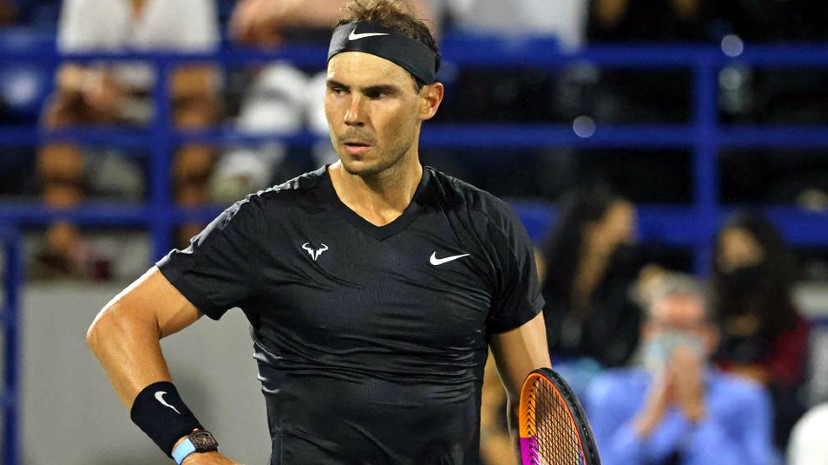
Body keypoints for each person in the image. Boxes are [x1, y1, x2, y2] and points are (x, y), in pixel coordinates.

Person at [86, 1, 550, 464]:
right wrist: (193, 449)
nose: (352, 114)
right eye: (338, 90)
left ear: (428, 101)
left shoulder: (488, 226)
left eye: (378, 94)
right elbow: (119, 324)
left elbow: (537, 407)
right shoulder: (269, 222)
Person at [35, 0, 220, 277]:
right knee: (59, 117)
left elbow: (201, 78)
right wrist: (90, 85)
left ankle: (193, 250)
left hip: (171, 104)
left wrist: (142, 87)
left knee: (196, 121)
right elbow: (67, 72)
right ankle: (61, 248)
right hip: (106, 106)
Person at [585, 273, 773, 465]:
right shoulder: (610, 391)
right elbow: (599, 460)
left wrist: (697, 416)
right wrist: (647, 421)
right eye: (666, 326)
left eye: (686, 328)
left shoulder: (745, 397)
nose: (675, 339)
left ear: (710, 336)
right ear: (647, 332)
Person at [712, 211, 811, 451]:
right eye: (727, 255)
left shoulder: (790, 322)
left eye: (744, 253)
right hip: (713, 423)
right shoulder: (711, 318)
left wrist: (731, 378)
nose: (734, 263)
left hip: (774, 425)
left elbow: (784, 375)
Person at [539, 185, 641, 394]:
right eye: (622, 225)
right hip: (543, 374)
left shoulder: (626, 284)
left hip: (600, 379)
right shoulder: (543, 274)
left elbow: (617, 352)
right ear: (590, 229)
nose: (630, 235)